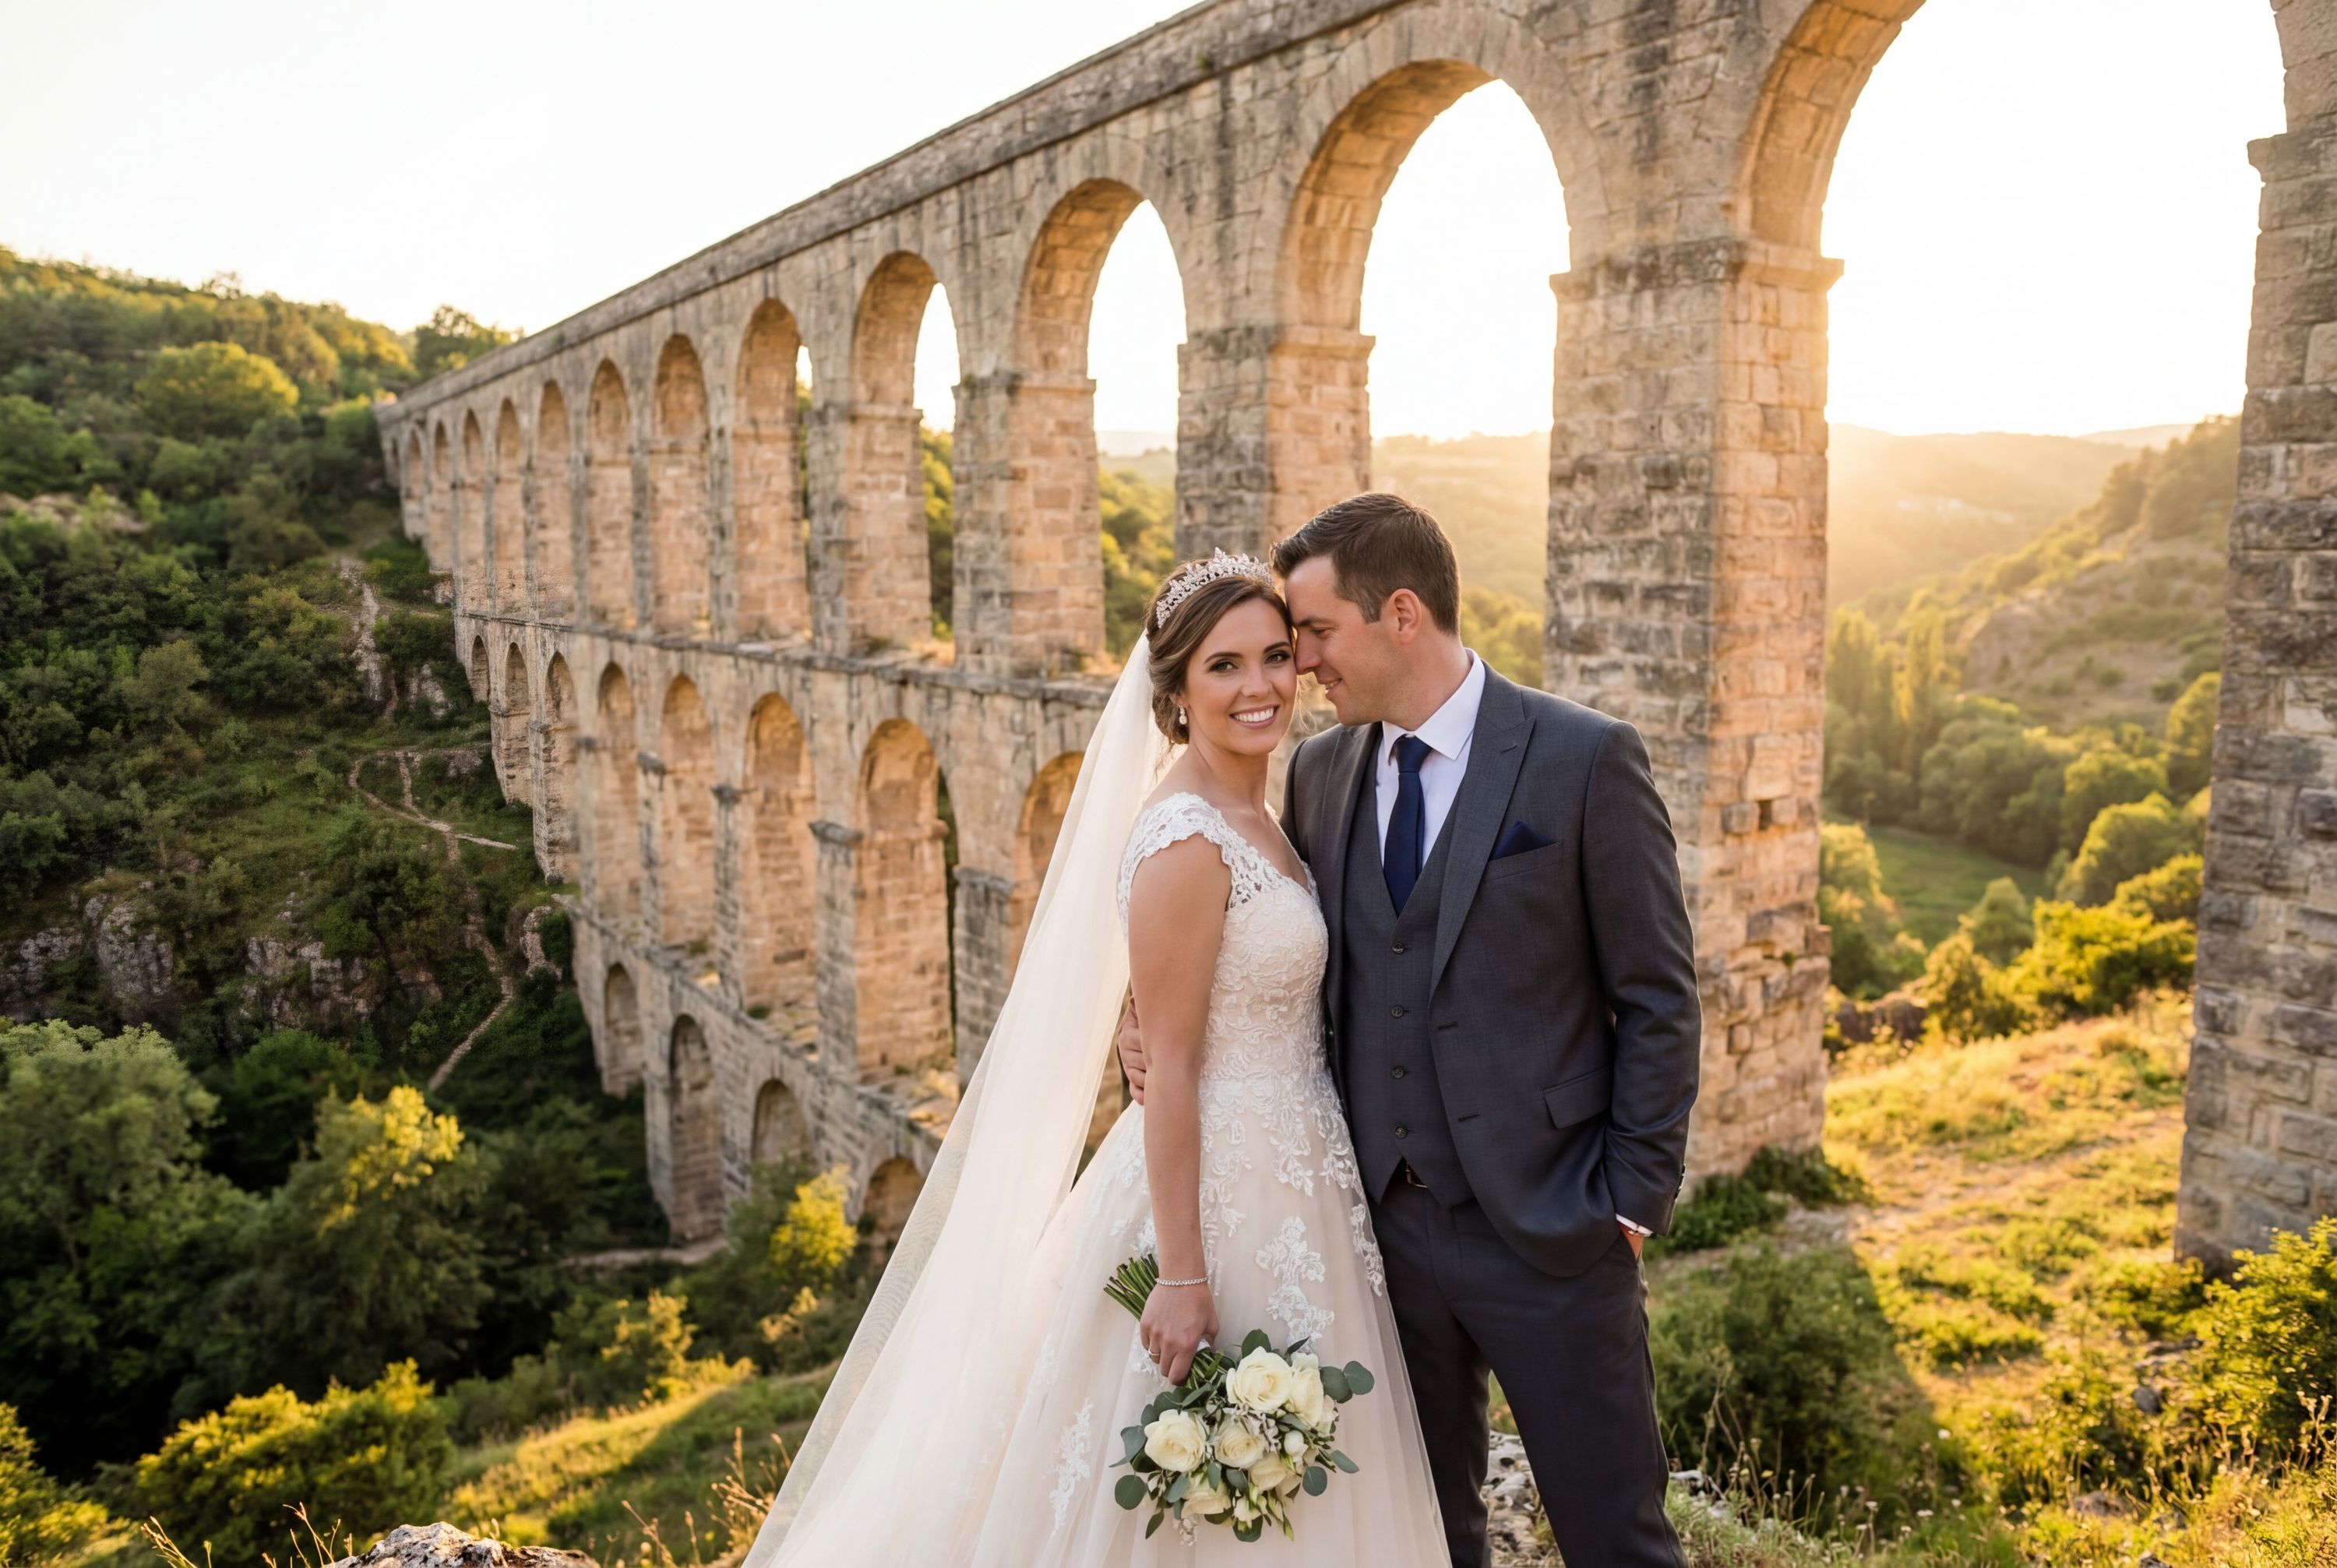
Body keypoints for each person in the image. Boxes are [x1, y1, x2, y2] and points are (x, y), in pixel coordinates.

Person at [742, 553, 1450, 1566]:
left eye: (1276, 657)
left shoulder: (1262, 810)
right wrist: (1183, 1272)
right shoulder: (1184, 835)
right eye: (1223, 666)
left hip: (1299, 1180)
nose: (1259, 686)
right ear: (1173, 693)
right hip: (1210, 1196)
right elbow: (1166, 1068)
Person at [1119, 493, 1701, 1568]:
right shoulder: (1325, 775)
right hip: (1374, 1240)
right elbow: (1245, 938)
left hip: (1552, 1232)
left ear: (1399, 613)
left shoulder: (1582, 759)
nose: (1299, 669)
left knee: (1618, 1536)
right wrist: (1136, 1019)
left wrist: (1630, 1200)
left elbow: (1659, 993)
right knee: (1427, 1535)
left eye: (1312, 637)